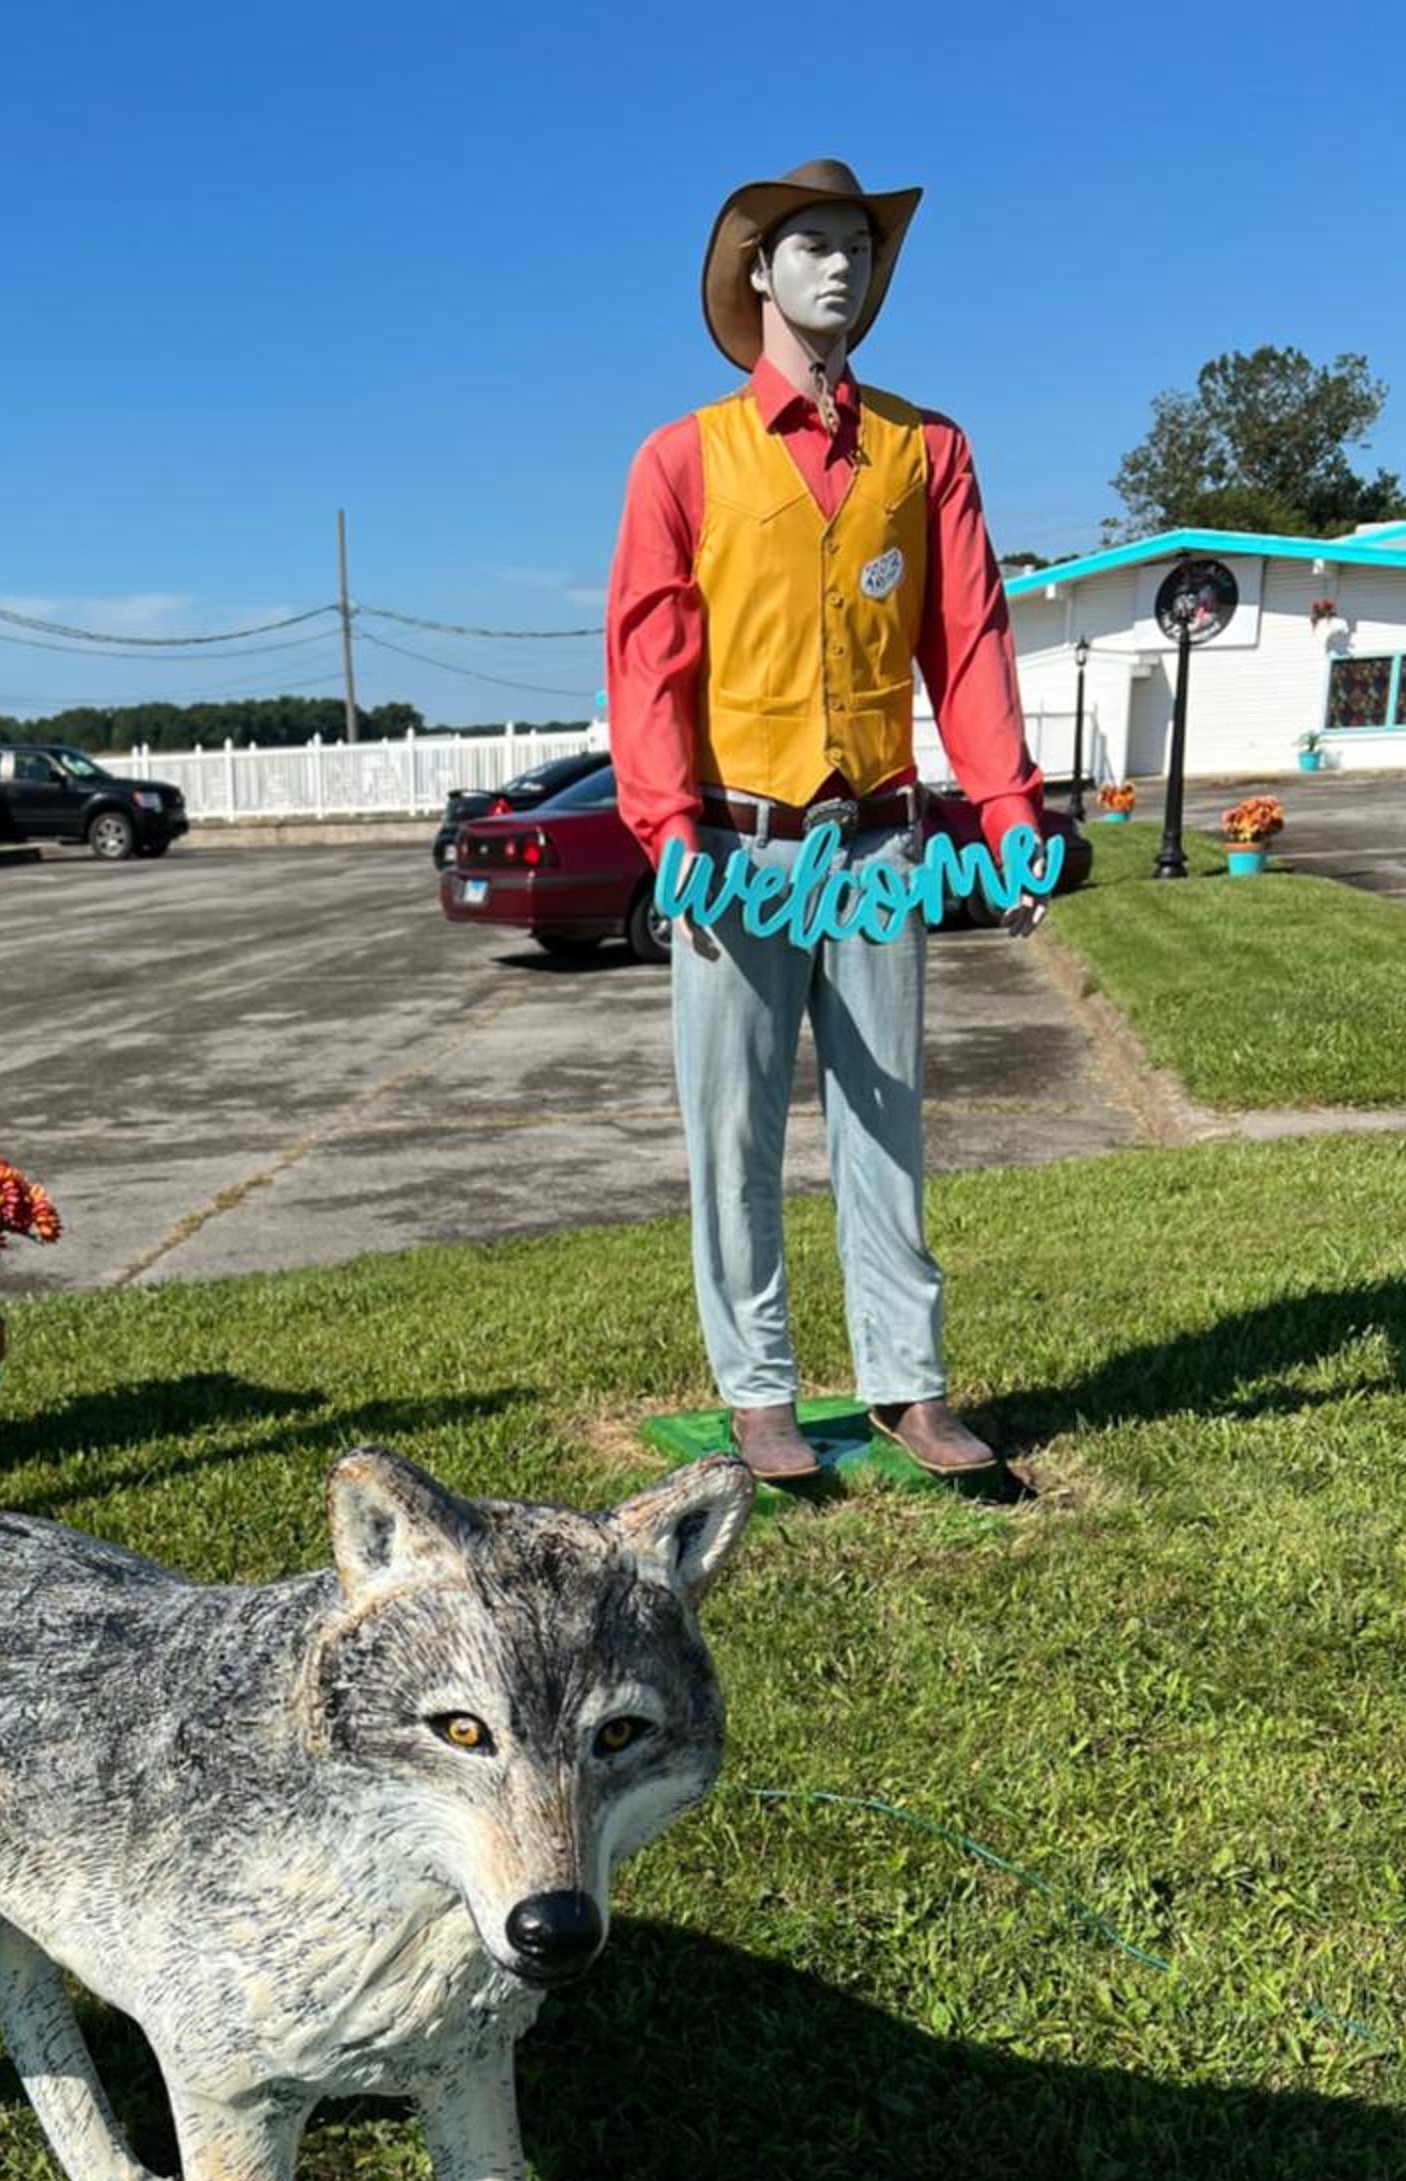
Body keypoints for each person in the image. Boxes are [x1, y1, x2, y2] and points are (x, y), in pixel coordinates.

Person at [606, 157, 1050, 1485]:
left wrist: (1007, 808)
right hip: (731, 849)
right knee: (733, 1126)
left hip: (877, 844)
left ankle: (908, 1383)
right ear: (757, 269)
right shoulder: (684, 457)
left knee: (885, 1117)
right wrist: (666, 831)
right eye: (811, 244)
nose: (841, 264)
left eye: (858, 244)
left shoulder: (926, 450)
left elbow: (967, 640)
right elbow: (648, 662)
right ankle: (758, 1392)